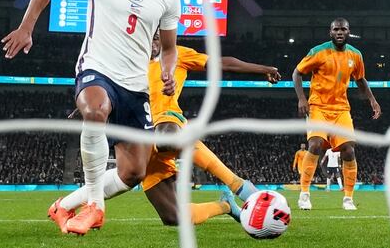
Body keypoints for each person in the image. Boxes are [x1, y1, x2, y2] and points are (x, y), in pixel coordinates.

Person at [2, 0, 182, 235]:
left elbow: (169, 48)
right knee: (95, 111)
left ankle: (63, 206)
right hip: (97, 69)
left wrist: (167, 70)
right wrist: (26, 27)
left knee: (133, 173)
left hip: (136, 87)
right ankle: (95, 208)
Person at [49, 31, 281, 231]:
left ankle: (241, 187)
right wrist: (87, 106)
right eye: (148, 37)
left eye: (157, 38)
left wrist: (262, 69)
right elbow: (105, 87)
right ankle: (227, 205)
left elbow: (223, 63)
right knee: (172, 216)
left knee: (167, 138)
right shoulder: (127, 61)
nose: (152, 42)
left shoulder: (177, 55)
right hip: (137, 131)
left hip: (167, 120)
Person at [293, 18, 381, 211]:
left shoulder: (355, 55)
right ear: (330, 32)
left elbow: (361, 79)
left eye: (343, 29)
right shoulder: (318, 52)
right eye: (336, 29)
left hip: (341, 108)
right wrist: (302, 99)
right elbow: (297, 73)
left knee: (349, 149)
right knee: (315, 145)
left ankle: (348, 198)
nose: (340, 32)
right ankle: (304, 194)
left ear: (349, 32)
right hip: (318, 106)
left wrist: (372, 101)